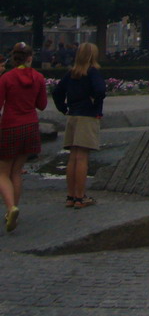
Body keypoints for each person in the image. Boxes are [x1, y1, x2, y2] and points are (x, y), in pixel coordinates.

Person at [0, 42, 48, 232]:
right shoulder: (38, 77)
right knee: (17, 171)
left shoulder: (6, 78)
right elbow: (42, 105)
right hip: (30, 126)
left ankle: (11, 207)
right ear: (30, 58)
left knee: (2, 172)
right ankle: (13, 209)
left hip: (10, 126)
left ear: (13, 58)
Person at [52, 42, 106, 209]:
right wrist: (95, 103)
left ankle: (71, 196)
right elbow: (100, 90)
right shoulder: (92, 72)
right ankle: (81, 197)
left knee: (73, 157)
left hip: (73, 116)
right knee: (82, 157)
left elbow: (56, 92)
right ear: (93, 56)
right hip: (87, 116)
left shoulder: (71, 73)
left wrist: (64, 108)